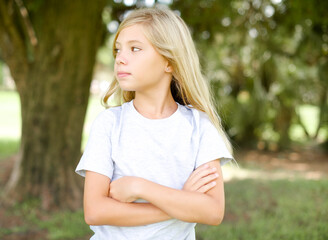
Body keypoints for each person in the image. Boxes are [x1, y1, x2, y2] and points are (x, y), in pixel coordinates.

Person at [75, 7, 234, 240]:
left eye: (135, 49)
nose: (120, 58)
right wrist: (181, 202)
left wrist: (142, 188)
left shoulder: (199, 128)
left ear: (169, 62)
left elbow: (212, 212)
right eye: (118, 50)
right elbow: (95, 211)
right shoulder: (109, 125)